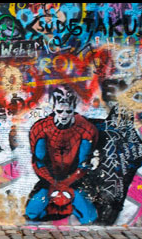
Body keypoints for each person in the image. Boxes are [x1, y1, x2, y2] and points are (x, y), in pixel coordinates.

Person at [25, 86, 99, 225]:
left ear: (74, 110)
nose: (64, 115)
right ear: (53, 109)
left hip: (75, 179)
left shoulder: (86, 129)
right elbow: (39, 160)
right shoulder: (41, 128)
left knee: (89, 217)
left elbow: (83, 163)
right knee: (32, 213)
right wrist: (53, 182)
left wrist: (67, 183)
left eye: (68, 111)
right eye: (60, 111)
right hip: (49, 179)